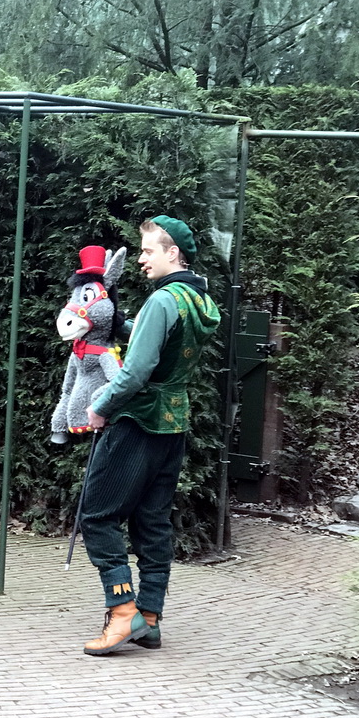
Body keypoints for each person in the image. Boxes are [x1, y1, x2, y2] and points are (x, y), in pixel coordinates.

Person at [78, 215, 221, 655]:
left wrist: (100, 407)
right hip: (173, 422)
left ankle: (123, 615)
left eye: (148, 250)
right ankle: (151, 618)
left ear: (172, 253)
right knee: (152, 521)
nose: (141, 259)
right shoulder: (196, 299)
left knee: (97, 515)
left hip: (139, 420)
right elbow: (151, 340)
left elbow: (138, 370)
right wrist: (116, 321)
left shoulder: (162, 300)